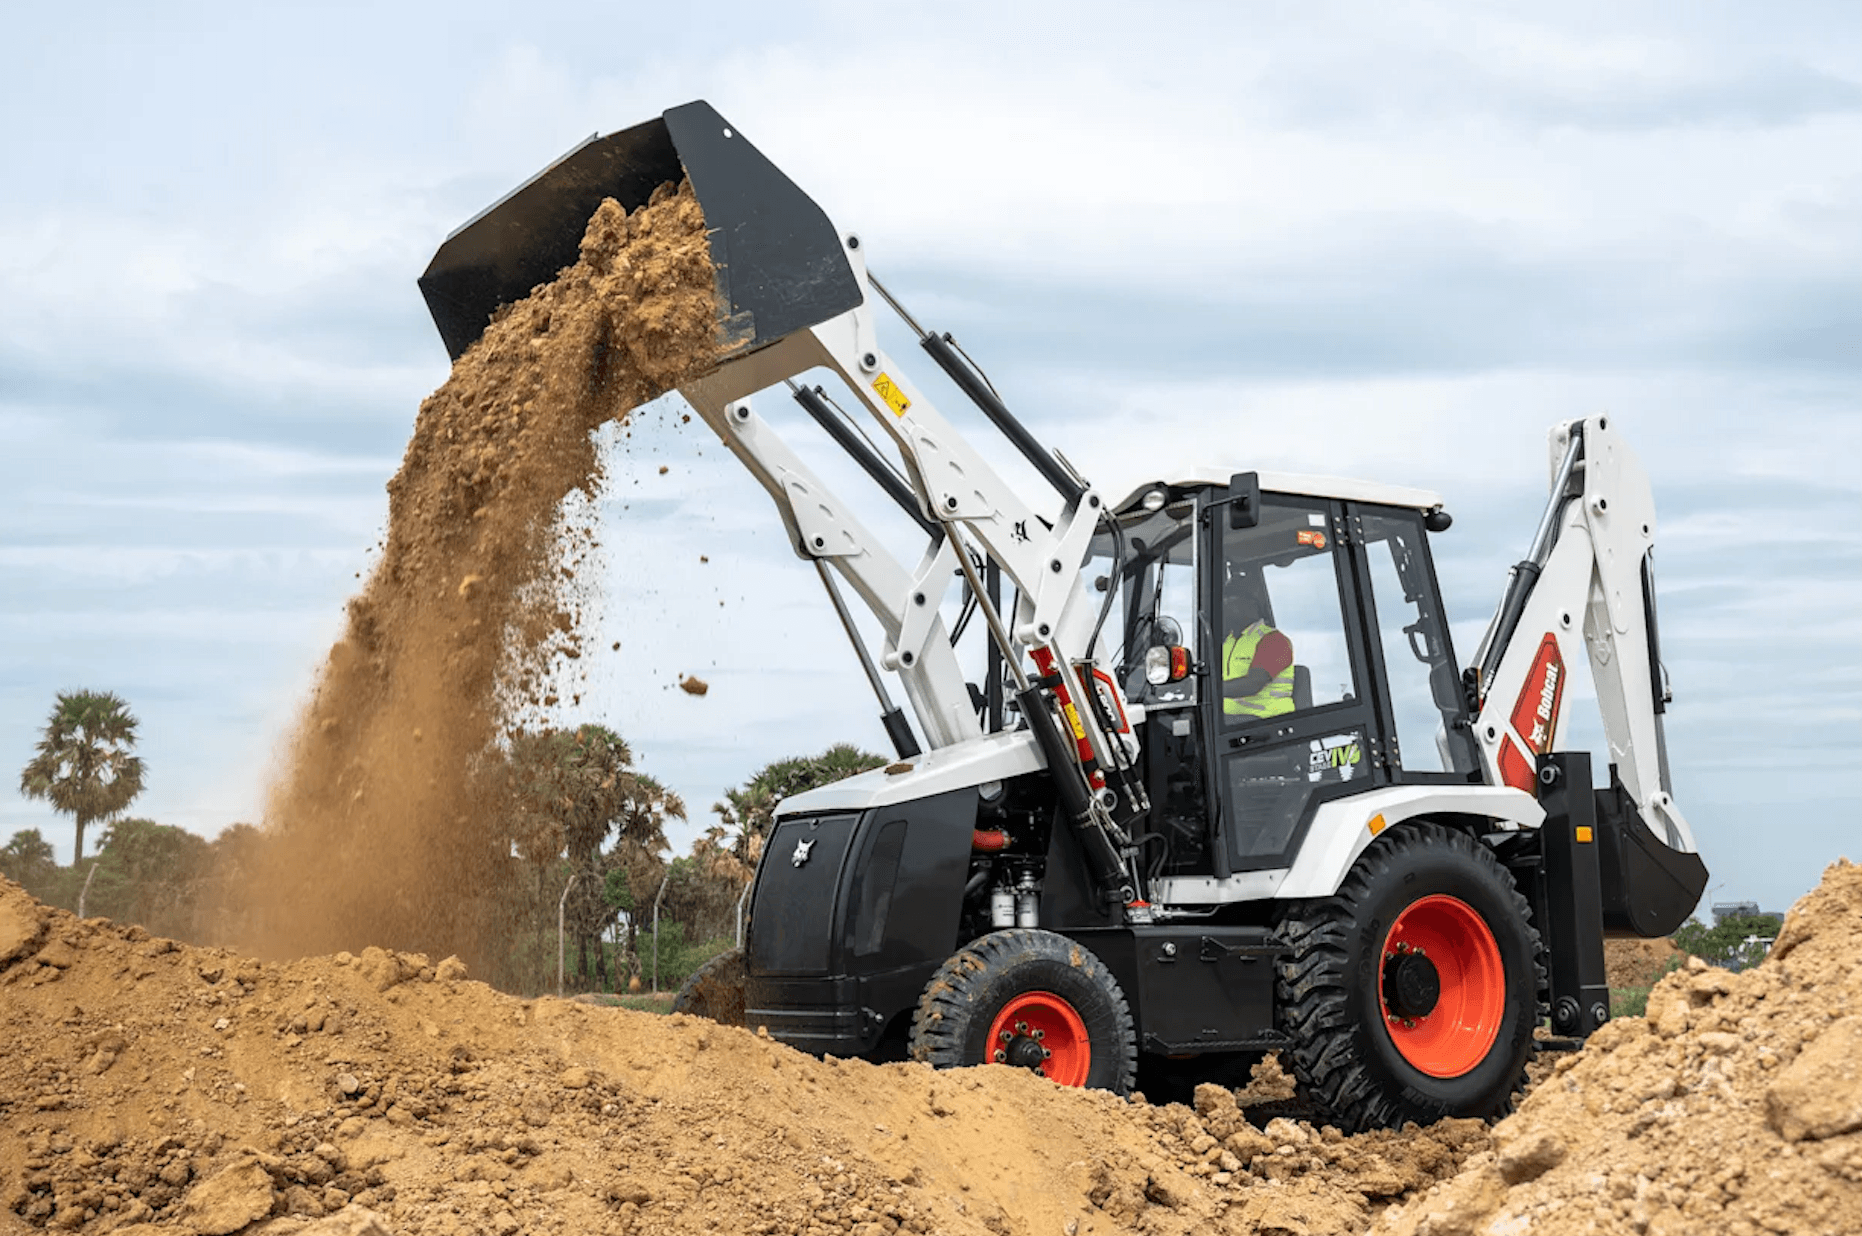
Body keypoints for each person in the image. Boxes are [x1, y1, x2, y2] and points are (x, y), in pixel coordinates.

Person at [1223, 577, 1296, 720]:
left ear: (1251, 603)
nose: (1224, 606)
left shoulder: (1274, 640)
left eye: (1229, 599)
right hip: (1232, 723)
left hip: (1268, 724)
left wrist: (1205, 690)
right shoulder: (1228, 642)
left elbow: (1253, 683)